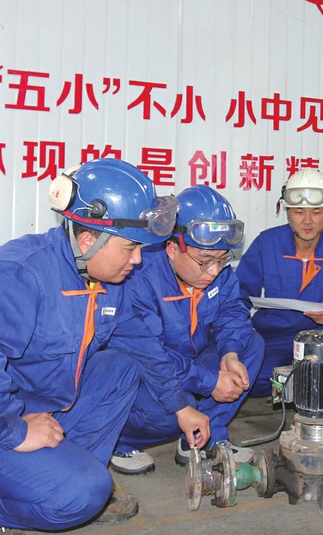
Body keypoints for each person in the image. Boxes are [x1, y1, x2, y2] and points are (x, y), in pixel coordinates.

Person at [0, 158, 210, 534]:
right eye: (130, 247)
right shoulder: (19, 272)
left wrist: (180, 407)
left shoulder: (106, 280)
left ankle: (64, 475)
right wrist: (13, 431)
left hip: (33, 408)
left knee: (121, 366)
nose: (137, 259)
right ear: (88, 240)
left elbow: (143, 345)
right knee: (82, 495)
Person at [109, 185, 265, 474]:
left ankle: (205, 436)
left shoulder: (219, 272)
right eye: (204, 261)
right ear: (172, 248)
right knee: (172, 409)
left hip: (188, 359)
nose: (214, 271)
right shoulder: (140, 277)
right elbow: (151, 355)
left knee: (251, 345)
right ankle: (118, 440)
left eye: (222, 259)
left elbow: (233, 312)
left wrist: (230, 354)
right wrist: (209, 381)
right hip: (144, 371)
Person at [236, 168, 323, 399]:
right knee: (246, 381)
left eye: (316, 212)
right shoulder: (267, 243)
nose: (308, 221)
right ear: (288, 212)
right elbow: (238, 297)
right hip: (276, 336)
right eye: (299, 212)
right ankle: (310, 379)